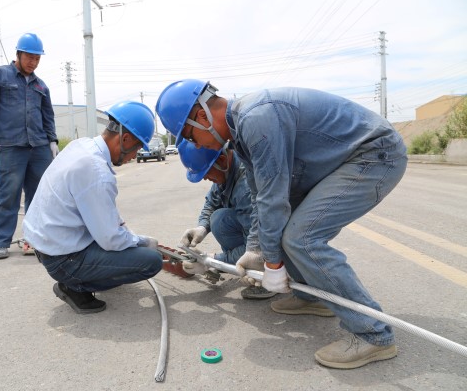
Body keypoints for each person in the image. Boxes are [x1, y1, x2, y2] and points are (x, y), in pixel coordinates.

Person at [156, 79, 407, 369]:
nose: (197, 145)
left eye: (190, 137)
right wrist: (256, 249)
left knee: (302, 238)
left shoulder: (257, 118)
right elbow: (260, 196)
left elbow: (273, 198)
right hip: (344, 160)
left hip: (372, 155)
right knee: (282, 231)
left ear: (202, 116)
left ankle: (373, 334)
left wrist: (272, 263)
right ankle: (310, 297)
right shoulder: (240, 134)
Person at [22, 101, 164, 314]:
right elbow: (111, 239)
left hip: (47, 247)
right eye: (136, 148)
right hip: (63, 259)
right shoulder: (97, 172)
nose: (134, 156)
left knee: (129, 249)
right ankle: (75, 286)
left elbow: (105, 217)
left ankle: (84, 275)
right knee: (151, 262)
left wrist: (132, 238)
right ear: (125, 139)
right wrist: (141, 242)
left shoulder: (81, 146)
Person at [0, 33, 58, 260]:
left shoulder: (41, 86)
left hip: (39, 146)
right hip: (11, 145)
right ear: (19, 54)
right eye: (30, 57)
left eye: (37, 59)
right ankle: (1, 242)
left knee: (39, 195)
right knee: (8, 194)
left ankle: (32, 239)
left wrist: (52, 140)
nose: (33, 62)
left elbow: (48, 116)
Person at [177, 140, 275, 300]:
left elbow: (256, 247)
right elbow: (212, 202)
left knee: (224, 223)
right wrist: (201, 227)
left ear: (222, 160)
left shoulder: (245, 187)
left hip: (272, 241)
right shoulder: (227, 169)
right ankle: (236, 263)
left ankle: (267, 276)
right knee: (219, 218)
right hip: (259, 232)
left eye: (206, 173)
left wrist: (211, 260)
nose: (204, 178)